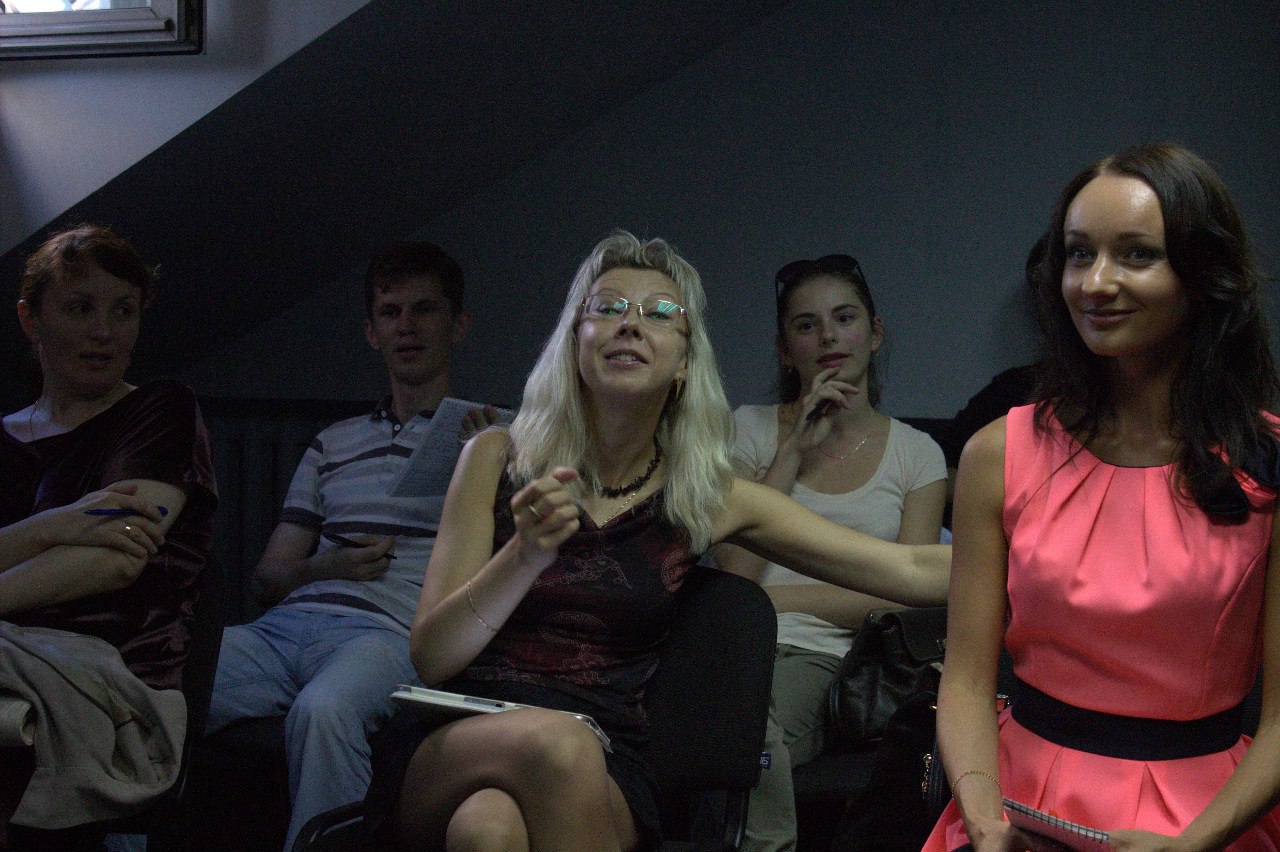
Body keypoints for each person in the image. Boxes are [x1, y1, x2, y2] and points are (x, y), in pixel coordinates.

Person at [363, 231, 950, 851]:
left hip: (607, 753)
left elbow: (909, 567)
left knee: (489, 828)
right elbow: (432, 656)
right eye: (609, 307)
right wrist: (524, 555)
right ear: (575, 341)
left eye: (660, 314)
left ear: (685, 363)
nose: (631, 324)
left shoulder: (702, 495)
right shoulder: (495, 457)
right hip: (460, 735)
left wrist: (1025, 546)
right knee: (554, 746)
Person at [927, 143, 1280, 851]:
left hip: (1207, 818)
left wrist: (1193, 845)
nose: (1095, 282)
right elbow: (965, 682)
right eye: (1079, 254)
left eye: (1137, 255)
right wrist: (984, 820)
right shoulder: (999, 452)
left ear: (1203, 275)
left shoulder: (1268, 460)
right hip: (1016, 806)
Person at [205, 240, 486, 851]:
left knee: (325, 710)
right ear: (371, 332)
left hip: (387, 635)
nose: (406, 327)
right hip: (285, 628)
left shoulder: (490, 435)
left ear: (458, 325)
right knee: (161, 676)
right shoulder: (333, 441)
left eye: (424, 310)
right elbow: (267, 579)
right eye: (390, 313)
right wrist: (325, 566)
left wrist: (493, 464)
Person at [714, 253, 946, 852]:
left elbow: (905, 599)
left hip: (820, 655)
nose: (828, 337)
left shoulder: (917, 454)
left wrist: (773, 600)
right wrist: (793, 449)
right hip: (729, 643)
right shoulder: (748, 429)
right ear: (785, 350)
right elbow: (735, 571)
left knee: (747, 731)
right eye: (806, 325)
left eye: (844, 319)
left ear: (874, 333)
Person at [0, 225, 217, 845]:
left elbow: (112, 561)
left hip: (113, 677)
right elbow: (83, 543)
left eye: (124, 311)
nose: (105, 331)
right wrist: (54, 526)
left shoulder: (159, 410)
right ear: (30, 320)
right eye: (80, 308)